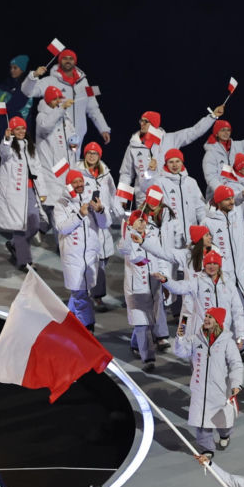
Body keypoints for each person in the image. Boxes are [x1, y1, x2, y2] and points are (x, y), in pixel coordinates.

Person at [173, 307, 243, 456]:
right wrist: (179, 339)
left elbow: (236, 364)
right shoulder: (195, 338)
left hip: (219, 388)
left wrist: (236, 383)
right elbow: (181, 352)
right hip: (199, 388)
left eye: (210, 317)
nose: (206, 319)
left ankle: (225, 433)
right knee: (201, 419)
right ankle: (206, 448)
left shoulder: (227, 342)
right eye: (206, 316)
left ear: (218, 321)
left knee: (221, 418)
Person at [120, 105, 224, 204]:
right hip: (144, 197)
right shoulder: (133, 146)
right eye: (141, 121)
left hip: (167, 195)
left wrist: (212, 117)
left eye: (146, 121)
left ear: (154, 124)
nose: (141, 124)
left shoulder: (170, 139)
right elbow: (126, 173)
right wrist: (122, 199)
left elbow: (194, 131)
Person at [21, 48, 111, 150]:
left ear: (75, 61)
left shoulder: (83, 83)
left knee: (72, 165)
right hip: (56, 136)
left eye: (71, 58)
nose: (68, 61)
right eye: (64, 58)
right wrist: (33, 75)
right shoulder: (50, 81)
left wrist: (103, 129)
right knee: (59, 165)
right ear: (60, 61)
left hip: (77, 136)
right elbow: (27, 92)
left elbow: (93, 109)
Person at [55, 169, 111, 331]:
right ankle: (88, 327)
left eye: (81, 181)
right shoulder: (61, 203)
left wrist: (100, 210)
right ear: (69, 184)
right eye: (75, 182)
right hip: (73, 256)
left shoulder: (90, 199)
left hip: (90, 254)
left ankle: (67, 320)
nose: (79, 185)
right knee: (80, 294)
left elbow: (105, 224)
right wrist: (79, 215)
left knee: (81, 291)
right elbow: (62, 228)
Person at [0, 117, 48, 271]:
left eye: (23, 129)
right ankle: (25, 261)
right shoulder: (9, 146)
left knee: (35, 223)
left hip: (30, 191)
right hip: (14, 193)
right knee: (20, 225)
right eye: (17, 129)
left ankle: (14, 244)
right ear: (12, 131)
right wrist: (6, 139)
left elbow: (38, 169)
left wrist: (43, 191)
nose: (21, 132)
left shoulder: (30, 146)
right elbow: (3, 152)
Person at [117, 210, 167, 367]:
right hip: (136, 289)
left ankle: (135, 344)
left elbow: (160, 257)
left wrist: (165, 278)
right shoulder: (127, 239)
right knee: (142, 324)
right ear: (132, 223)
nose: (141, 223)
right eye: (137, 221)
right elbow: (123, 249)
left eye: (143, 220)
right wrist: (129, 230)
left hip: (153, 286)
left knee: (149, 322)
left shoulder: (152, 236)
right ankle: (149, 359)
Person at [78, 142, 120, 310]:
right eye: (89, 153)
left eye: (95, 153)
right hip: (87, 222)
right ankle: (94, 296)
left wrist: (116, 210)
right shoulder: (78, 172)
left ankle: (95, 293)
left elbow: (113, 193)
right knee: (90, 260)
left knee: (103, 259)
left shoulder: (106, 174)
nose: (92, 156)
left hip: (103, 220)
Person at [35, 84, 77, 232]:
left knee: (55, 205)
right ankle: (59, 242)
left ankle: (39, 229)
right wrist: (62, 109)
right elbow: (46, 126)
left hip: (65, 169)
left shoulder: (65, 117)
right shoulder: (42, 116)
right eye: (56, 99)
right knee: (52, 205)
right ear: (48, 100)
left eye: (60, 98)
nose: (59, 101)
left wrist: (74, 143)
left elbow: (73, 135)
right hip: (49, 169)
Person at [151, 147, 207, 246]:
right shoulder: (159, 182)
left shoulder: (191, 182)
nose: (175, 165)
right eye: (171, 162)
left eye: (178, 161)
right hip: (171, 235)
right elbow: (153, 208)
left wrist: (203, 225)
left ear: (182, 162)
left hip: (191, 233)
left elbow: (200, 208)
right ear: (166, 164)